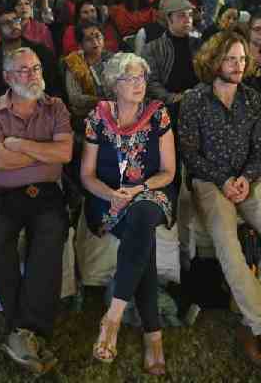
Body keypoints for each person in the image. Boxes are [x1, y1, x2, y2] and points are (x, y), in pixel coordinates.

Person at [177, 30, 261, 376]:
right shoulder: (194, 100)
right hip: (210, 181)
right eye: (231, 59)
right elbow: (190, 153)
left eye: (243, 59)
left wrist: (245, 178)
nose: (239, 65)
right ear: (214, 62)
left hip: (248, 179)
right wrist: (223, 180)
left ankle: (248, 319)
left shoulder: (254, 100)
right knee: (226, 240)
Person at [0, 47, 73, 374]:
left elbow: (65, 152)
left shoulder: (56, 106)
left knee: (49, 240)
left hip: (45, 193)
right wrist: (43, 154)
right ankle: (27, 330)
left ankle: (21, 330)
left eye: (36, 68)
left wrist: (19, 145)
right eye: (23, 70)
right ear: (7, 77)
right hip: (0, 193)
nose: (33, 75)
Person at [81, 53, 175, 375]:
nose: (138, 85)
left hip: (151, 190)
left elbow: (169, 171)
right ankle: (154, 335)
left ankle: (113, 317)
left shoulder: (158, 115)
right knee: (142, 239)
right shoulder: (98, 117)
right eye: (130, 79)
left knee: (143, 217)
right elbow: (87, 175)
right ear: (113, 84)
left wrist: (138, 190)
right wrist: (110, 194)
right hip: (107, 197)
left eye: (141, 79)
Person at [0, 6, 62, 124]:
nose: (14, 25)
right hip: (4, 122)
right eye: (6, 23)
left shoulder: (41, 52)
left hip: (41, 118)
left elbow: (55, 88)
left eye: (16, 20)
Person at [141, 0, 202, 119]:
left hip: (198, 100)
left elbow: (208, 74)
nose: (188, 20)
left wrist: (197, 93)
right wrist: (173, 98)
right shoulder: (152, 48)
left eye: (190, 15)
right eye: (181, 16)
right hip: (168, 105)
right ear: (168, 19)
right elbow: (150, 83)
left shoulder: (199, 44)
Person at [64, 21, 113, 130]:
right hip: (86, 116)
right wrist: (99, 101)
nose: (95, 42)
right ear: (80, 45)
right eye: (89, 39)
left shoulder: (112, 59)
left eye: (98, 36)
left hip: (114, 111)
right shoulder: (74, 63)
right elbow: (75, 98)